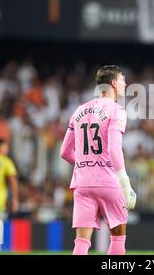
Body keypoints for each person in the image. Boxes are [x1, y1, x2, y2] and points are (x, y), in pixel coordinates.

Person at [60, 65, 136, 255]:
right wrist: (125, 183)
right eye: (122, 80)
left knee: (82, 241)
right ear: (112, 83)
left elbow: (64, 152)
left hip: (82, 184)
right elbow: (113, 148)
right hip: (109, 182)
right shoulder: (117, 111)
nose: (125, 83)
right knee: (118, 236)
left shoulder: (79, 111)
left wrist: (85, 164)